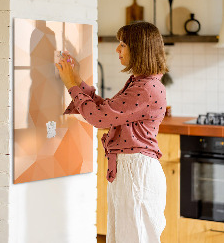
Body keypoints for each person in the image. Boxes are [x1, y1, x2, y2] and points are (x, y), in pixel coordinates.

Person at [55, 21, 168, 243]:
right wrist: (77, 80)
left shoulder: (145, 88)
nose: (117, 49)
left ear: (139, 49)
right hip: (130, 170)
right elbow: (107, 110)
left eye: (123, 44)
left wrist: (71, 85)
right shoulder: (141, 83)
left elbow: (99, 118)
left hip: (136, 172)